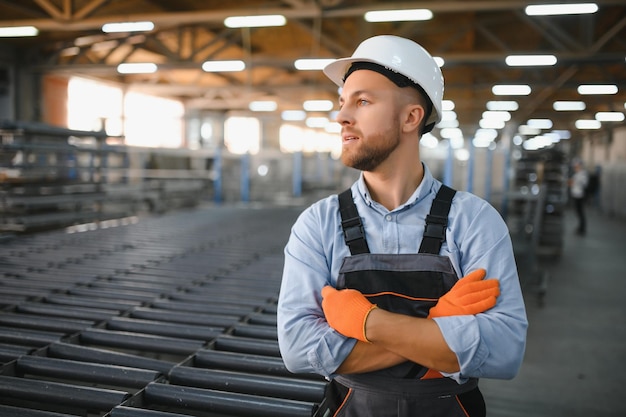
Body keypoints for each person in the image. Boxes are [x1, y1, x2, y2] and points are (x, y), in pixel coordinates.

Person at [277, 35, 528, 417]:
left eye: (362, 101)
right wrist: (436, 327)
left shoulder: (474, 221)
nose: (341, 116)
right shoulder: (318, 224)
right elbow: (298, 349)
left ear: (411, 117)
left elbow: (505, 350)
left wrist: (367, 322)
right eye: (342, 102)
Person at [569, 159, 589, 235]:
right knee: (578, 212)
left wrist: (576, 181)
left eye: (577, 166)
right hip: (575, 195)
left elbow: (584, 184)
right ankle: (580, 227)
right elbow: (572, 184)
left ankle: (582, 228)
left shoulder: (582, 174)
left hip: (580, 196)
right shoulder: (576, 174)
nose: (575, 168)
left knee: (581, 213)